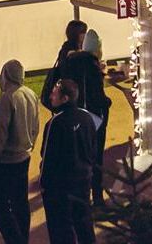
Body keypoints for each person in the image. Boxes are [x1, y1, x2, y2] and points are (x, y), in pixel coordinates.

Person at [0, 59, 40, 244]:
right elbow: (35, 127)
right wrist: (30, 146)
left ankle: (14, 240)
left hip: (6, 161)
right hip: (24, 157)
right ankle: (22, 239)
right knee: (20, 203)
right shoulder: (31, 94)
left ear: (5, 75)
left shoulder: (7, 98)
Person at [40, 78, 96, 244]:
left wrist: (44, 184)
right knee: (85, 225)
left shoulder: (55, 123)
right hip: (83, 182)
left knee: (60, 230)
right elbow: (93, 148)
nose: (51, 95)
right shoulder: (87, 117)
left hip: (60, 187)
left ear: (65, 99)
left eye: (55, 93)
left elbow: (47, 156)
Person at [61, 29, 112, 206]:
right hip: (93, 119)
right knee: (96, 158)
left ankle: (79, 196)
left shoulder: (72, 61)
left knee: (79, 156)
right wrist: (108, 103)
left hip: (75, 116)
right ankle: (97, 197)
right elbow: (97, 96)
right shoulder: (92, 65)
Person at [41, 20, 87, 109]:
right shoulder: (72, 52)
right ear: (78, 34)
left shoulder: (66, 48)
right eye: (84, 32)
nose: (86, 35)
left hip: (70, 92)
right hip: (72, 94)